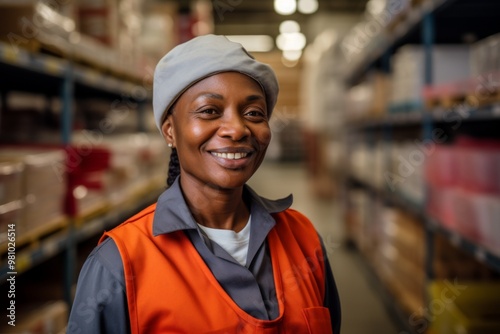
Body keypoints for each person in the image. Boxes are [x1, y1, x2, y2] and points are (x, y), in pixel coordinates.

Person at [68, 34, 341, 334]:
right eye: (210, 111)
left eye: (253, 113)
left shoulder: (303, 239)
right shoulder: (120, 264)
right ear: (170, 131)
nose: (237, 129)